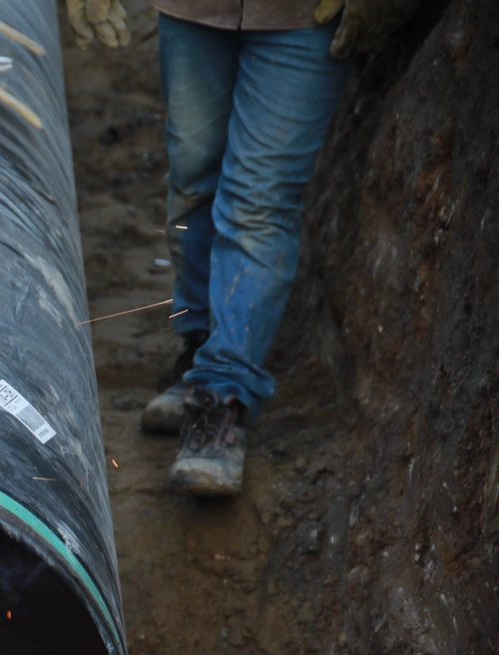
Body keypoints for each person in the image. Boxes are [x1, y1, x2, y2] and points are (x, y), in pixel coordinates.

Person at [70, 0, 420, 495]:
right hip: (193, 12)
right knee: (192, 182)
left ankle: (221, 395)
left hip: (304, 18)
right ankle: (199, 352)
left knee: (259, 200)